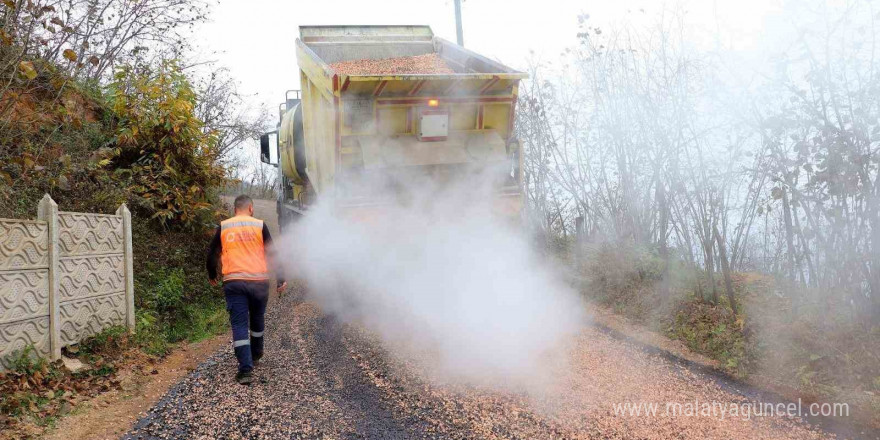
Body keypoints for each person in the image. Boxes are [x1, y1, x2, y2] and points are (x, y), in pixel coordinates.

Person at [207, 195, 286, 385]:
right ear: (250, 208)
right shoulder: (259, 225)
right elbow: (273, 253)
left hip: (234, 282)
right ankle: (256, 353)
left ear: (235, 209)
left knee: (239, 324)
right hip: (259, 281)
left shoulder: (224, 226)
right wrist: (281, 278)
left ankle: (245, 370)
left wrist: (212, 274)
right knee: (257, 318)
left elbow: (212, 253)